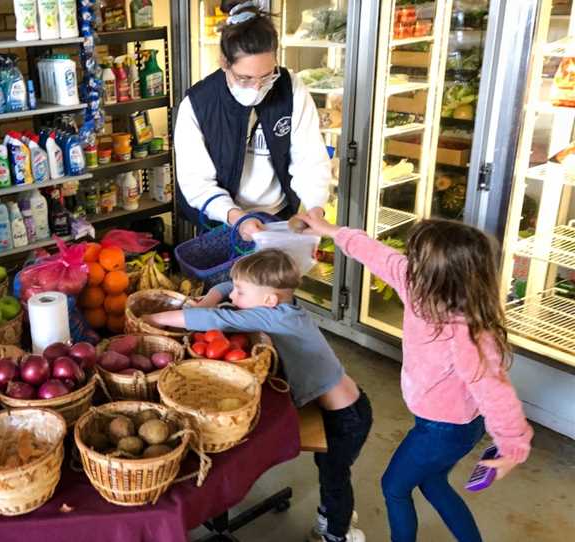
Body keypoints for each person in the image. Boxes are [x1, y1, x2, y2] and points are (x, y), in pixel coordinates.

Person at [295, 213, 533, 542]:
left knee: (393, 488)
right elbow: (374, 252)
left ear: (440, 278)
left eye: (417, 259)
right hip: (443, 423)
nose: (409, 262)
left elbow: (495, 391)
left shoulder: (466, 329)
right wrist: (329, 230)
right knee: (433, 483)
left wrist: (512, 447)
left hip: (447, 429)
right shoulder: (416, 284)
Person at [144, 249, 371, 542]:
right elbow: (226, 288)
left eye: (241, 292)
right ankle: (335, 513)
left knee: (334, 476)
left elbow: (217, 318)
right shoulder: (282, 306)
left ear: (269, 301)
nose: (234, 297)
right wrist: (216, 293)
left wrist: (158, 317)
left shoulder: (275, 319)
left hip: (347, 416)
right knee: (331, 473)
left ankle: (338, 533)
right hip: (340, 407)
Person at [174, 0, 332, 240]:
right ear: (224, 63)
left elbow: (310, 159)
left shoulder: (290, 89)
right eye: (244, 78)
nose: (257, 87)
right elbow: (196, 182)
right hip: (224, 220)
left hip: (279, 217)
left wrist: (314, 208)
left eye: (267, 76)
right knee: (232, 279)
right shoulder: (198, 104)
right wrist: (237, 217)